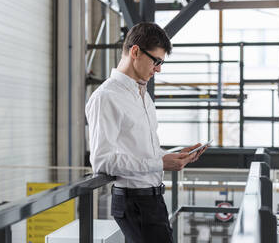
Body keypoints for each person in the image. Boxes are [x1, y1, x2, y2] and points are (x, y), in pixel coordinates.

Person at [85, 22, 207, 243]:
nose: (159, 69)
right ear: (135, 52)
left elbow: (142, 150)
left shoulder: (143, 96)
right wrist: (160, 163)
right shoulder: (106, 97)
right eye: (156, 61)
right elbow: (102, 162)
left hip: (153, 200)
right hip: (134, 203)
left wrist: (174, 156)